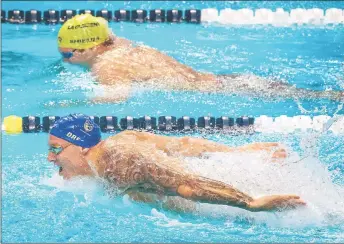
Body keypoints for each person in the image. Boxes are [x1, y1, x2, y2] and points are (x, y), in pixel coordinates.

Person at [47, 113, 306, 212]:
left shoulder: (119, 162)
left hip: (226, 186)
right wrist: (239, 151)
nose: (50, 157)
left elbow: (188, 186)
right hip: (222, 168)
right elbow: (181, 145)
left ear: (83, 148)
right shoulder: (115, 146)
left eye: (56, 149)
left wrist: (250, 203)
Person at [56, 14, 343, 103]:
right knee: (304, 92)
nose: (65, 60)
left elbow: (118, 97)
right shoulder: (117, 45)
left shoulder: (108, 65)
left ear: (89, 49)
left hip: (218, 89)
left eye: (68, 54)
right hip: (220, 79)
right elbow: (109, 33)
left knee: (313, 96)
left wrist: (73, 102)